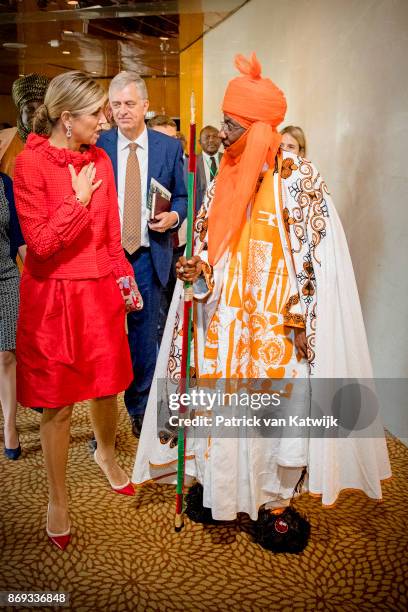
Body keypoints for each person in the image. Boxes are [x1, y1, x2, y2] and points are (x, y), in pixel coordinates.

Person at [133, 53, 391, 552]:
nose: (223, 135)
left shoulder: (299, 182)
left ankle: (274, 503)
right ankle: (220, 490)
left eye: (231, 125)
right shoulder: (224, 178)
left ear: (254, 126)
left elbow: (324, 262)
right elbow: (209, 250)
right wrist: (197, 270)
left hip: (277, 332)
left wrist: (305, 317)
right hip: (222, 328)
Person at [13, 71, 139, 551]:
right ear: (67, 119)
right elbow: (41, 245)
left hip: (99, 292)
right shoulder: (30, 166)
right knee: (59, 404)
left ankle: (106, 453)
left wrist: (123, 282)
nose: (105, 122)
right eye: (96, 114)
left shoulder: (100, 159)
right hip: (54, 299)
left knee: (106, 389)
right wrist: (78, 200)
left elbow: (108, 238)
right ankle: (57, 498)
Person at [97, 72, 187, 438]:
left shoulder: (168, 149)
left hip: (149, 256)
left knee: (144, 338)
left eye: (129, 104)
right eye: (116, 104)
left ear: (146, 107)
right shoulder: (98, 147)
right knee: (102, 339)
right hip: (105, 258)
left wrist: (174, 216)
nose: (122, 111)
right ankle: (101, 419)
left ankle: (140, 407)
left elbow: (182, 195)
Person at [0, 172, 25, 460]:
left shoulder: (5, 183)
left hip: (6, 276)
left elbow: (18, 236)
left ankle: (10, 425)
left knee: (7, 353)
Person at [0, 73, 50, 178]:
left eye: (41, 109)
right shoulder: (4, 139)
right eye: (30, 109)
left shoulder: (57, 138)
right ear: (20, 111)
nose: (36, 114)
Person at [196, 125, 222, 211]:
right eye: (207, 137)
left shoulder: (229, 160)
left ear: (221, 140)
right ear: (199, 142)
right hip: (200, 211)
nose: (211, 140)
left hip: (223, 209)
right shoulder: (190, 163)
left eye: (215, 137)